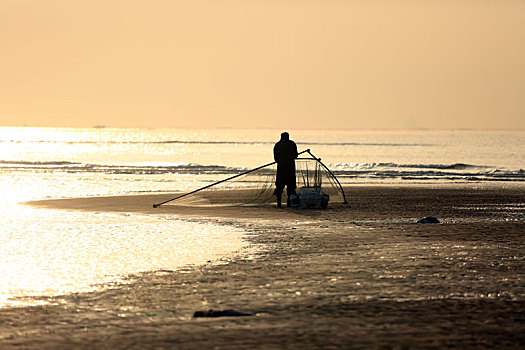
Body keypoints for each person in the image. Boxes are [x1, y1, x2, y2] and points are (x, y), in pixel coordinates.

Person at [273, 132, 298, 207]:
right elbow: (295, 155)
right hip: (289, 169)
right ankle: (289, 203)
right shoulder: (292, 144)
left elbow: (275, 158)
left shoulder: (277, 145)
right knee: (290, 187)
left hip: (281, 169)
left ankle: (279, 204)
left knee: (280, 187)